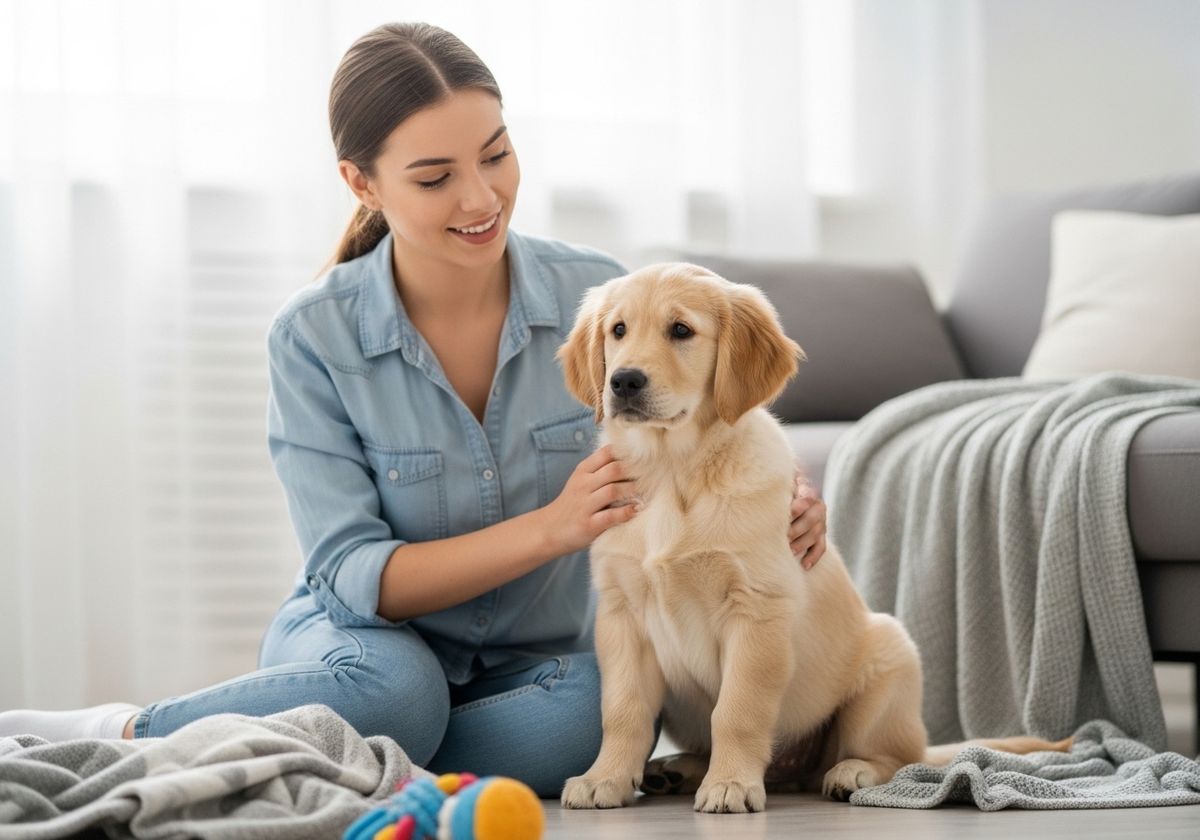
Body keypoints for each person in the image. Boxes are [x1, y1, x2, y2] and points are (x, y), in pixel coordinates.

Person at [0, 22, 828, 796]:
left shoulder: (602, 297)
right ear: (361, 183)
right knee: (397, 694)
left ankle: (318, 760)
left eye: (496, 155)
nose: (482, 200)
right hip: (361, 644)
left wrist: (774, 500)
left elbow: (701, 431)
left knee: (596, 722)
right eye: (435, 177)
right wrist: (553, 527)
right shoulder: (314, 336)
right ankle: (128, 733)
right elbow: (356, 574)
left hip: (531, 660)